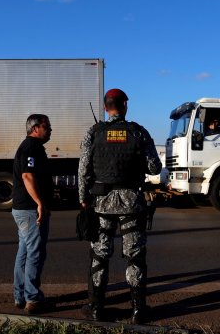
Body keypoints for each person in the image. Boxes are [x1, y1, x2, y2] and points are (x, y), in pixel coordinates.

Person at [78, 88, 162, 324]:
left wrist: (83, 198)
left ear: (105, 107)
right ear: (125, 105)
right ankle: (138, 311)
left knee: (99, 256)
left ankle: (95, 309)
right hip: (131, 205)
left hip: (101, 204)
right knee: (135, 257)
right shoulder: (138, 133)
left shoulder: (93, 133)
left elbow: (83, 169)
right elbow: (154, 167)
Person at [11, 114, 54, 314]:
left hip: (23, 208)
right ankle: (32, 299)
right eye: (47, 126)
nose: (50, 129)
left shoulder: (29, 147)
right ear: (35, 128)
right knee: (35, 253)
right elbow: (27, 176)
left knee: (25, 252)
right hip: (29, 209)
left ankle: (20, 296)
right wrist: (39, 203)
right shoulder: (31, 147)